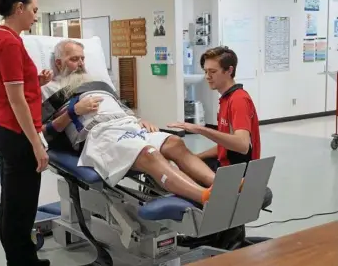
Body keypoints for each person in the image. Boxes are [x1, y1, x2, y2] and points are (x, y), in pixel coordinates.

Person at [39, 39, 237, 207]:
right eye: (74, 59)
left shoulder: (97, 83)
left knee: (175, 143)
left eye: (82, 58)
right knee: (149, 153)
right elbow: (45, 132)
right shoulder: (50, 89)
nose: (81, 63)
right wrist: (74, 111)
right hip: (100, 135)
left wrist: (139, 119)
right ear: (58, 62)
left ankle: (222, 185)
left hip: (128, 126)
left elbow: (120, 108)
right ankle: (205, 197)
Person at [0, 0, 53, 266]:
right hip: (17, 133)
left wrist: (37, 82)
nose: (36, 17)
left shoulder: (1, 38)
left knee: (13, 201)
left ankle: (23, 257)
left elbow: (12, 87)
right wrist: (37, 143)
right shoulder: (10, 43)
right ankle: (22, 261)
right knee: (20, 207)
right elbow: (16, 100)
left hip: (5, 128)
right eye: (34, 10)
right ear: (19, 8)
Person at [168, 46, 261, 171]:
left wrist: (201, 129)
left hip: (236, 173)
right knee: (183, 165)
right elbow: (225, 147)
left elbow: (242, 145)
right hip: (225, 164)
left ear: (229, 70)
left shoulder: (238, 100)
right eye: (205, 71)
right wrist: (195, 158)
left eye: (213, 72)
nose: (207, 76)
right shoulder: (226, 99)